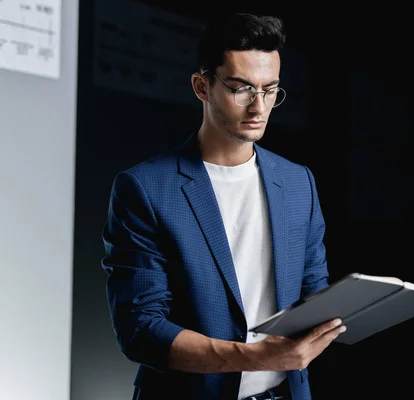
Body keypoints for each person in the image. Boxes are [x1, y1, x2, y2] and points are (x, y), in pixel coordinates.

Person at [101, 12, 345, 400]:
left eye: (270, 90)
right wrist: (253, 356)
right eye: (241, 89)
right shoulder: (145, 188)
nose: (259, 107)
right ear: (201, 86)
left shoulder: (299, 183)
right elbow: (140, 329)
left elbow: (313, 293)